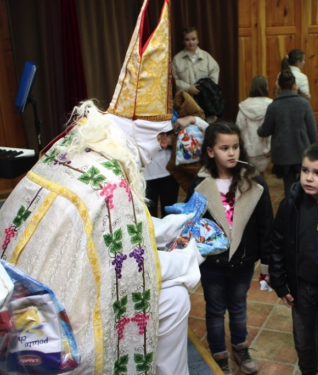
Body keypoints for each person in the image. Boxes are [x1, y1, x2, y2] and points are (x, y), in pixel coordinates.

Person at [0, 1, 204, 374]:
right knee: (173, 297)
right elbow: (134, 270)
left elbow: (113, 235)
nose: (166, 146)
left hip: (14, 306)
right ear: (150, 137)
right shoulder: (114, 183)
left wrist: (170, 227)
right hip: (55, 335)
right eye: (163, 138)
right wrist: (193, 257)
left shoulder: (80, 146)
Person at [187, 122, 273, 374]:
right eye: (224, 148)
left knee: (238, 305)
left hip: (243, 261)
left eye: (235, 147)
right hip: (213, 262)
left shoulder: (254, 181)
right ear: (211, 151)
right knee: (214, 308)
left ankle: (239, 345)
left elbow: (266, 225)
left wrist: (267, 264)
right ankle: (218, 351)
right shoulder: (200, 183)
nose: (232, 153)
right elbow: (191, 222)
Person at [268, 142, 318, 375]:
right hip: (301, 289)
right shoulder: (292, 204)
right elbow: (277, 243)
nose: (309, 178)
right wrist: (280, 283)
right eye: (305, 170)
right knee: (303, 343)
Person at [258, 69, 318, 198]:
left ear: (278, 86)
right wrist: (315, 150)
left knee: (288, 185)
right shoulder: (304, 104)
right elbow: (312, 131)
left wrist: (258, 129)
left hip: (282, 152)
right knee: (306, 181)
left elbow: (265, 131)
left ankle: (291, 211)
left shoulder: (274, 106)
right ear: (295, 86)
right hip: (303, 150)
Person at [236, 75, 273, 173]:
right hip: (266, 151)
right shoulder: (271, 105)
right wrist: (270, 148)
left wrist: (241, 149)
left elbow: (239, 129)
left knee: (250, 177)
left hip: (248, 151)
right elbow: (273, 128)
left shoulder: (244, 106)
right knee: (261, 177)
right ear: (266, 88)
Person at [172, 26, 220, 97]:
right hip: (185, 98)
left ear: (198, 40)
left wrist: (205, 88)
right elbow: (174, 80)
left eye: (193, 39)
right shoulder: (177, 59)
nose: (191, 42)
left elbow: (214, 73)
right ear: (183, 42)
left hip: (204, 98)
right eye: (187, 40)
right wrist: (187, 88)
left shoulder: (206, 57)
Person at [144, 133, 179, 217]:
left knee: (170, 215)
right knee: (149, 217)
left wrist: (172, 140)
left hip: (169, 170)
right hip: (144, 173)